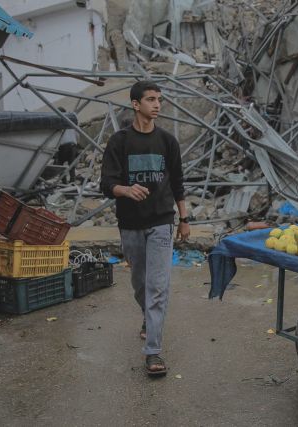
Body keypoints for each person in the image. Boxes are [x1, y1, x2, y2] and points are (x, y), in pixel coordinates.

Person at [100, 81, 191, 376]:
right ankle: (147, 317)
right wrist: (126, 190)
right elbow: (106, 183)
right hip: (130, 224)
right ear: (136, 104)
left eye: (159, 100)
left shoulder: (167, 142)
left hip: (161, 222)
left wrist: (184, 219)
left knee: (157, 288)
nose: (157, 104)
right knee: (140, 285)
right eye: (150, 99)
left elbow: (178, 183)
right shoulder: (119, 142)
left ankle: (153, 353)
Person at [54, 107, 79, 183]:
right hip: (72, 145)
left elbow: (55, 137)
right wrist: (76, 143)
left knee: (60, 165)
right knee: (71, 166)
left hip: (63, 146)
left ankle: (64, 181)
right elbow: (77, 134)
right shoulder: (72, 121)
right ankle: (72, 182)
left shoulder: (58, 122)